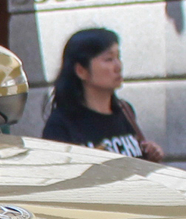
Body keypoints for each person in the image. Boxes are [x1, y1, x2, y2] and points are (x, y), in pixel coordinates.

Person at [41, 27, 165, 160]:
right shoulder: (61, 124)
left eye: (118, 57)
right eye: (109, 59)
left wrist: (149, 156)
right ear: (81, 71)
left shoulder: (124, 111)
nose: (118, 66)